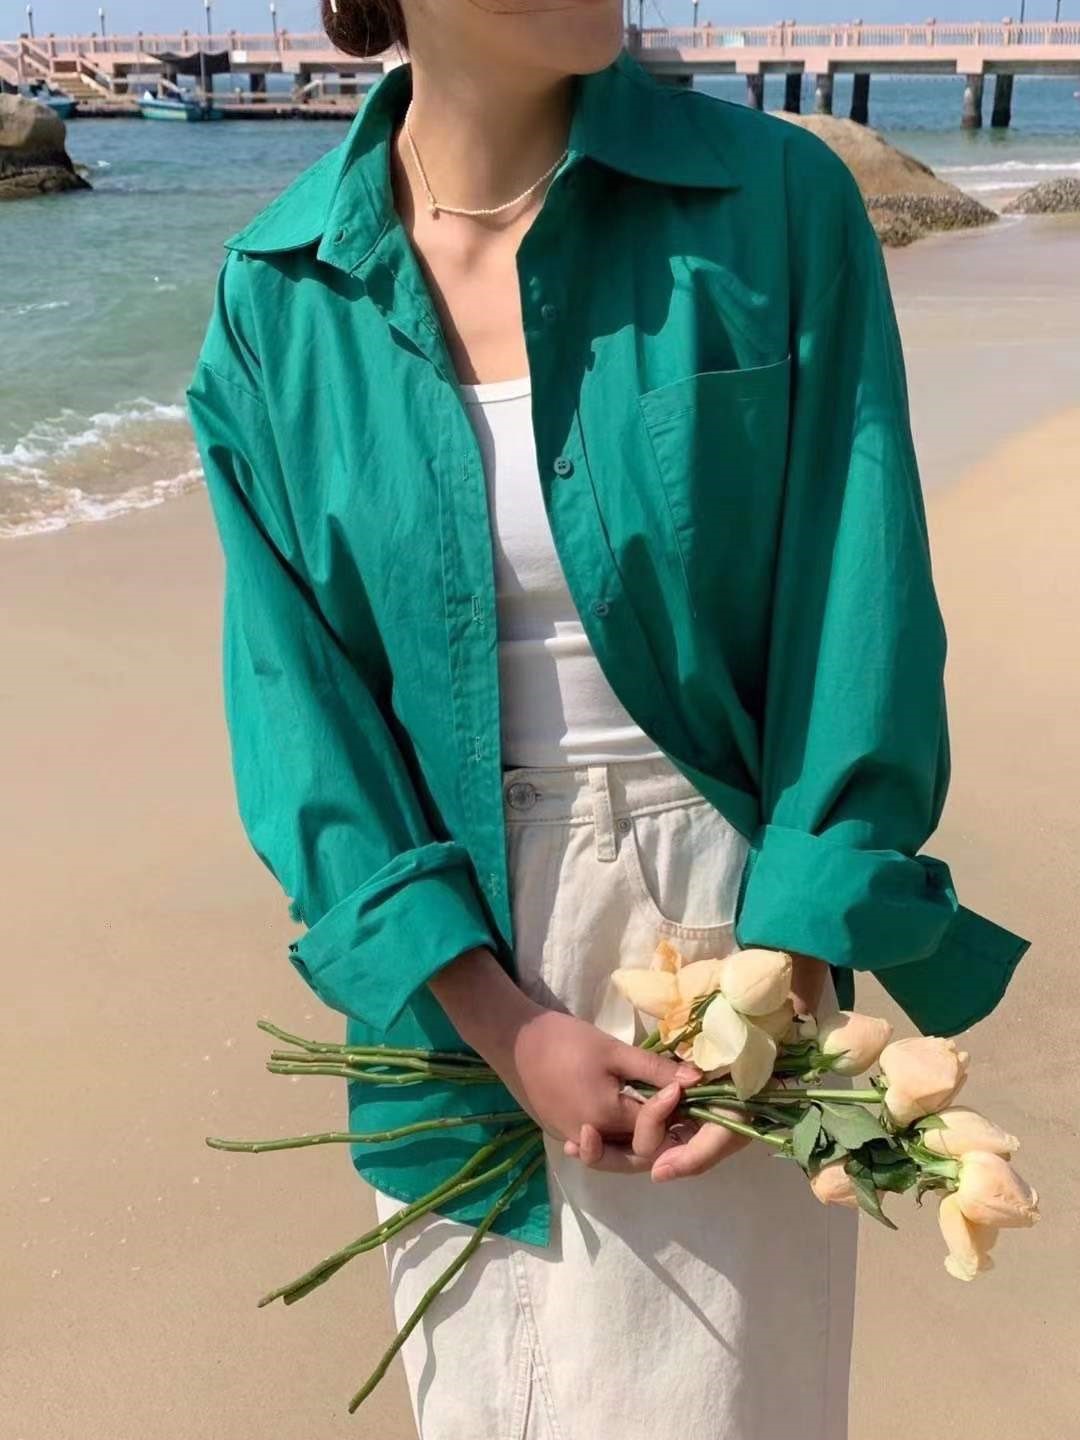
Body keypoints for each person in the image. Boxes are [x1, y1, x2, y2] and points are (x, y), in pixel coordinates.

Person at [184, 2, 1029, 1436]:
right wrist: (497, 1021)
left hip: (731, 926)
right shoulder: (278, 295)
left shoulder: (775, 204)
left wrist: (783, 967)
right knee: (485, 1403)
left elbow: (859, 599)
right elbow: (299, 711)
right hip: (448, 961)